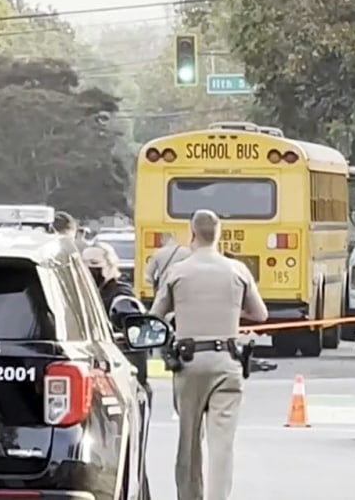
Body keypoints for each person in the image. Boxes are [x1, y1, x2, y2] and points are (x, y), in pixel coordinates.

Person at [150, 209, 268, 500]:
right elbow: (260, 313)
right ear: (220, 234)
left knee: (189, 442)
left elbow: (155, 318)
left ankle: (190, 496)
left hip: (190, 363)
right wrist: (230, 309)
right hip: (227, 362)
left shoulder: (178, 271)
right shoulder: (237, 270)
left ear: (192, 235)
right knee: (222, 445)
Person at [82, 243, 152, 400]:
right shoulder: (82, 297)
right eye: (83, 263)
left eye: (94, 263)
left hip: (116, 378)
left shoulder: (120, 295)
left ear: (111, 265)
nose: (87, 269)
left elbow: (133, 325)